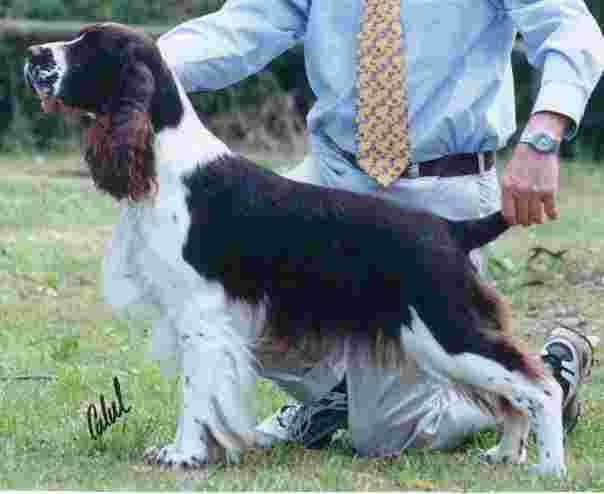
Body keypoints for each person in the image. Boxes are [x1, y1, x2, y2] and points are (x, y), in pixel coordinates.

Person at [157, 1, 603, 456]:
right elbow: (247, 23)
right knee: (224, 284)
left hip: (439, 188)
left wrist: (544, 133)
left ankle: (542, 379)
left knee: (392, 435)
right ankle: (335, 397)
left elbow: (569, 28)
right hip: (333, 176)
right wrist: (141, 62)